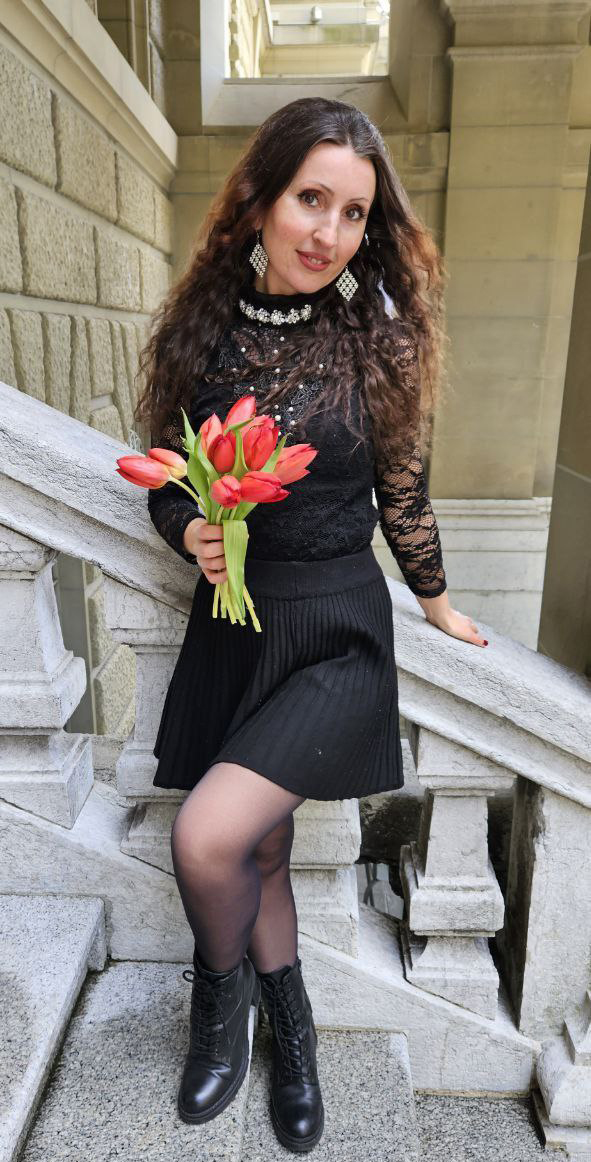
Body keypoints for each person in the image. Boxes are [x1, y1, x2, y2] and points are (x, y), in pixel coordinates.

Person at [134, 96, 488, 1153]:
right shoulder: (202, 329)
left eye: (352, 213)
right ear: (260, 201)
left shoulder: (380, 340)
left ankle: (223, 1003)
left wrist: (436, 600)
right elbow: (168, 477)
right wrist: (192, 529)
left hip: (335, 631)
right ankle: (286, 1030)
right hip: (238, 624)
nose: (327, 232)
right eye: (310, 199)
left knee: (206, 834)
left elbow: (402, 494)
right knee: (262, 845)